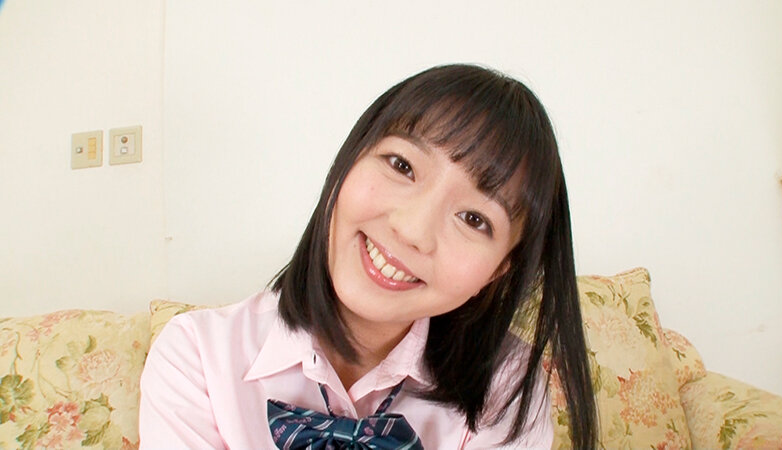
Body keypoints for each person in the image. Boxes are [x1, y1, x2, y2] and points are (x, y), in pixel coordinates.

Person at [139, 64, 597, 449]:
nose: (412, 230)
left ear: (498, 271)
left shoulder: (508, 390)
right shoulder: (198, 357)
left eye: (474, 219)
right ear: (349, 160)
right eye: (402, 165)